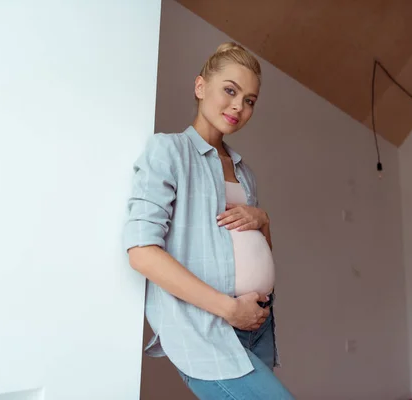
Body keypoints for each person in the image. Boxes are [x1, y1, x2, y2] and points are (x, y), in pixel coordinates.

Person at [123, 42, 294, 399]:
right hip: (209, 326)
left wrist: (263, 220)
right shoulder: (169, 151)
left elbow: (256, 249)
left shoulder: (244, 170)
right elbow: (141, 251)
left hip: (257, 322)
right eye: (230, 91)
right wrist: (230, 309)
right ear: (201, 87)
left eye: (249, 100)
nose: (238, 106)